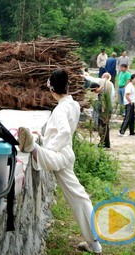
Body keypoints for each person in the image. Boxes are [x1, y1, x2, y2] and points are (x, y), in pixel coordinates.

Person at [17, 69, 102, 254]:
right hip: (66, 152)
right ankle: (94, 243)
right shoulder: (73, 105)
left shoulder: (61, 108)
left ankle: (33, 147)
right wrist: (45, 135)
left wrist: (49, 147)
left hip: (60, 155)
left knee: (45, 156)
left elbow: (63, 132)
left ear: (52, 90)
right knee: (78, 196)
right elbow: (61, 131)